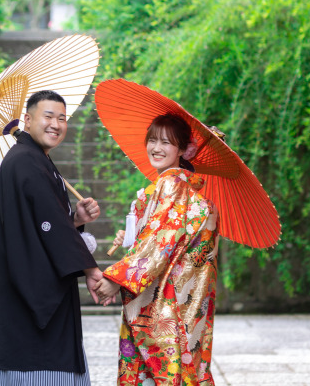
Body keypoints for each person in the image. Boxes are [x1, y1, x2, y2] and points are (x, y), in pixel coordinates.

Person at [0, 90, 108, 386]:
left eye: (62, 118)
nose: (56, 124)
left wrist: (76, 219)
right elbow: (51, 227)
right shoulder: (26, 161)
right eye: (48, 116)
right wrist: (91, 270)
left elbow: (42, 222)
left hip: (27, 283)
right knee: (40, 364)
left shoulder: (34, 159)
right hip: (31, 292)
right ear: (27, 120)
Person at [94, 113, 219, 386]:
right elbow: (168, 238)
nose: (156, 148)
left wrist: (118, 280)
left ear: (183, 150)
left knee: (160, 370)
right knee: (185, 367)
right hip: (185, 306)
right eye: (152, 140)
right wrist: (134, 233)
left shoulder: (171, 184)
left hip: (164, 302)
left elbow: (159, 242)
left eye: (166, 142)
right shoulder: (188, 190)